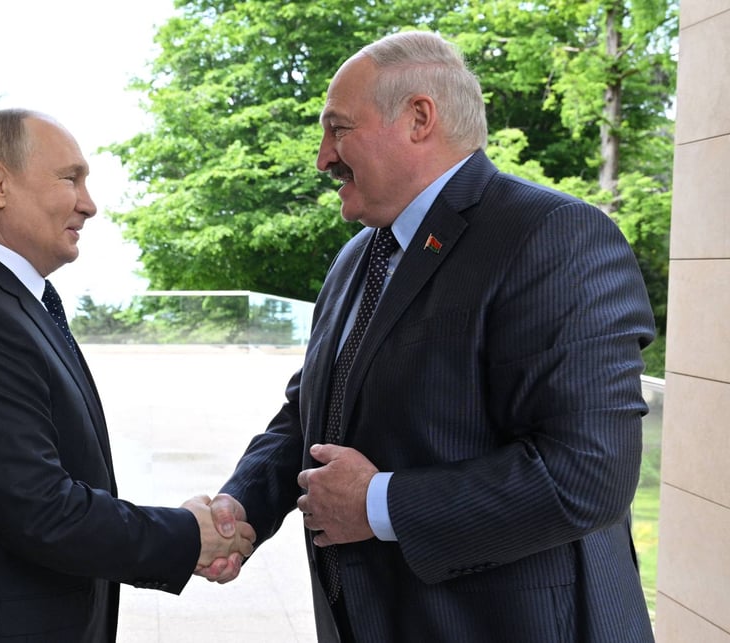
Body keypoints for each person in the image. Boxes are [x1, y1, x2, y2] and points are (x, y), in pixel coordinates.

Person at [202, 31, 656, 642]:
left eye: (338, 129)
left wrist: (378, 503)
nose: (322, 158)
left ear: (419, 118)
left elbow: (586, 475)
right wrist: (240, 509)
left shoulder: (556, 235)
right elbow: (308, 415)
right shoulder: (357, 258)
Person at [0, 108, 254, 642]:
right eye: (70, 178)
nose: (90, 203)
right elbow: (41, 511)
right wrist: (186, 536)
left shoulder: (10, 300)